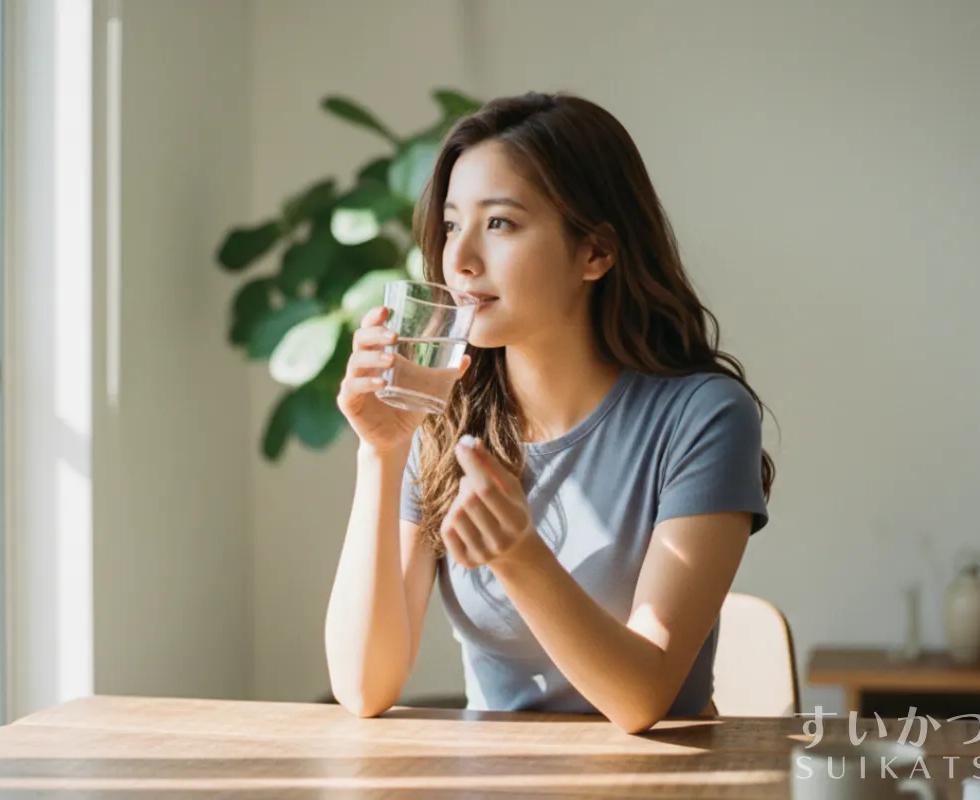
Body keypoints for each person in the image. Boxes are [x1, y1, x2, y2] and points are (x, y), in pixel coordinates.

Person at [324, 91, 774, 734]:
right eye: (452, 224)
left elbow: (642, 697)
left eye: (499, 223)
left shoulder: (704, 418)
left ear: (596, 253)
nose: (460, 258)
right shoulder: (446, 417)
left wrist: (519, 557)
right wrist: (382, 452)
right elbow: (365, 688)